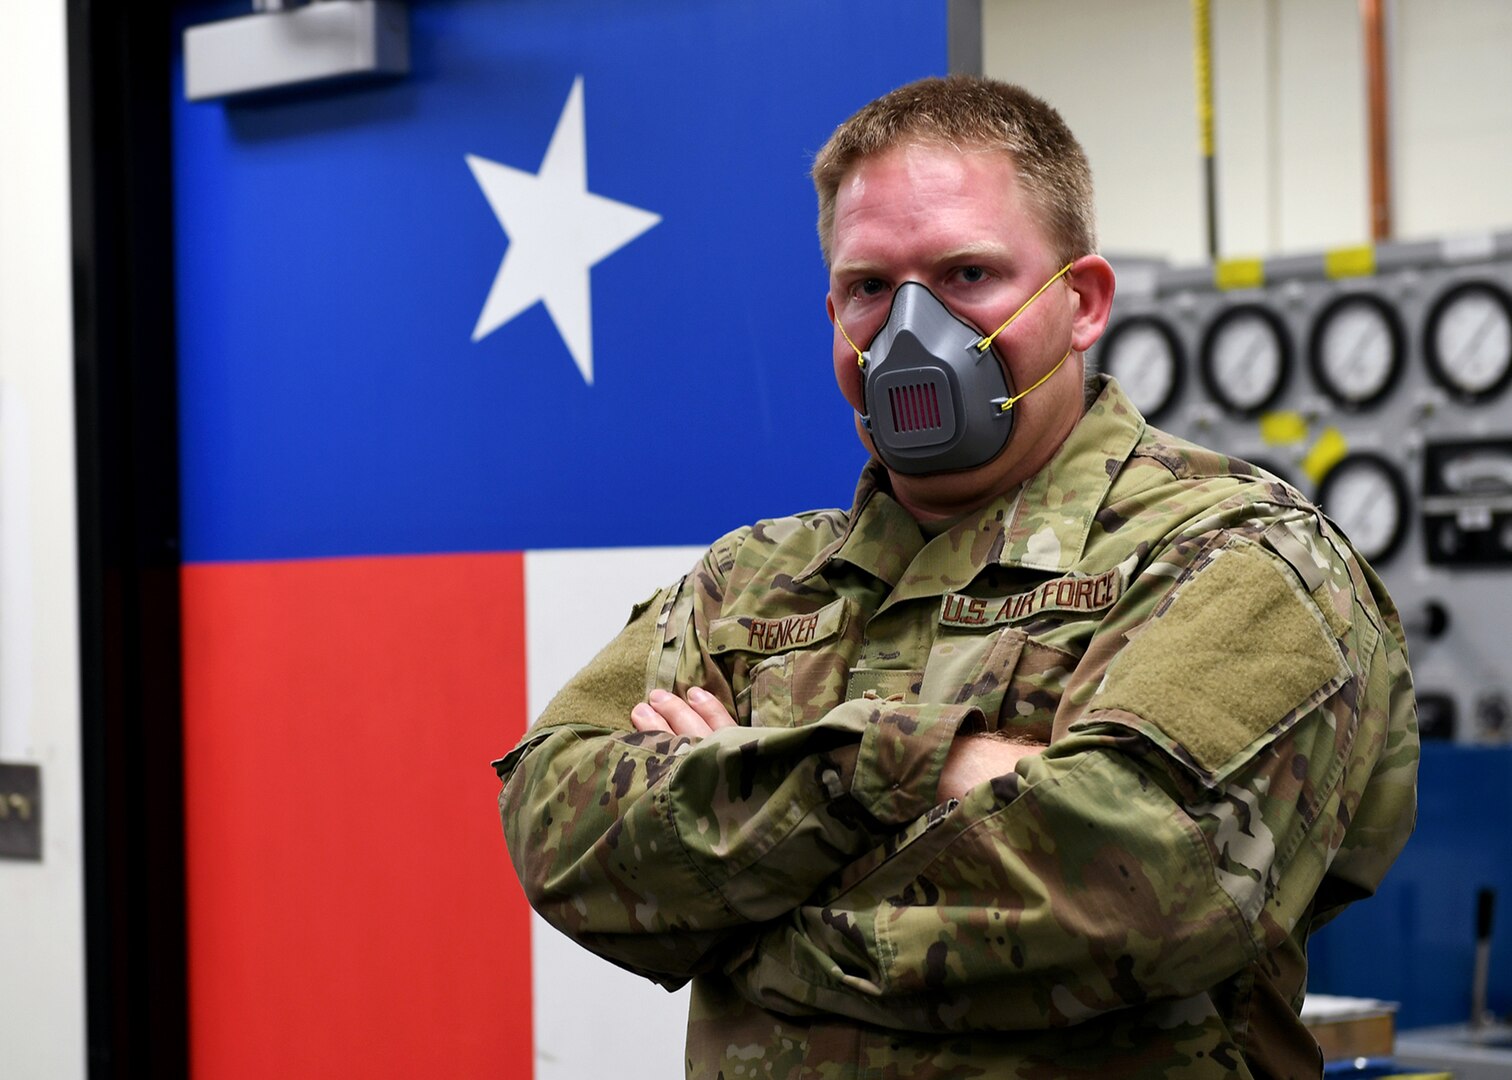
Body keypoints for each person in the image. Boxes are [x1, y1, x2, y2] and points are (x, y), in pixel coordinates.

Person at [493, 75, 1418, 1079]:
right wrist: (930, 767)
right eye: (870, 288)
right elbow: (559, 830)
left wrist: (738, 901)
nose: (911, 330)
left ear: (1081, 301)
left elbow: (1145, 884)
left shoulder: (1238, 555)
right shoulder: (747, 583)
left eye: (968, 273)